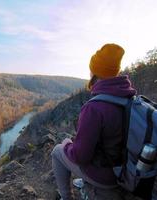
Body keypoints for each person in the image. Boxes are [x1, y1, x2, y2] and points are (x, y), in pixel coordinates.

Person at [51, 43, 137, 200]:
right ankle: (85, 181)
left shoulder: (94, 108)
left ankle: (66, 197)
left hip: (107, 176)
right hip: (128, 169)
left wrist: (67, 146)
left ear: (95, 72)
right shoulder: (128, 98)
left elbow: (80, 156)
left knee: (58, 150)